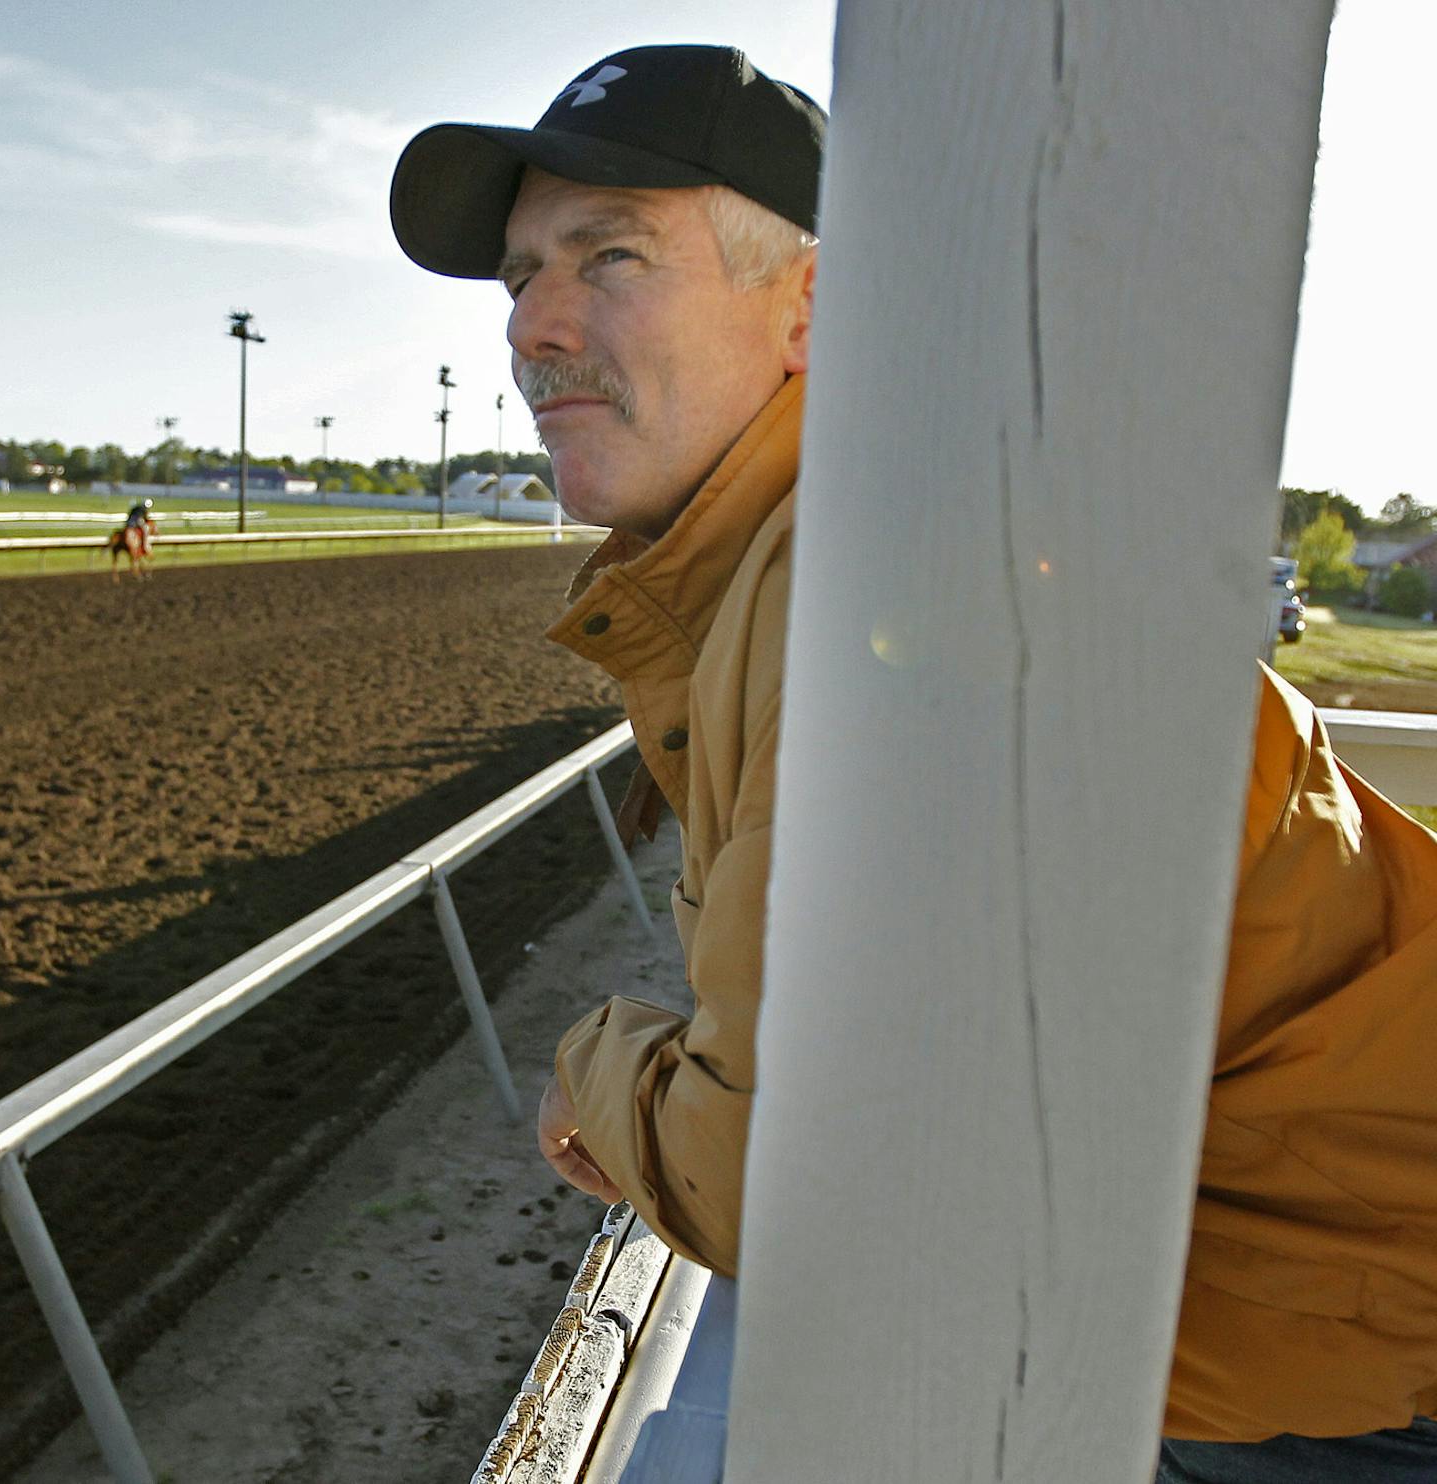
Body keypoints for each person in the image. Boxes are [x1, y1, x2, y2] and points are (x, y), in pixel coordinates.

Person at [390, 44, 1437, 1478]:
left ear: (816, 302)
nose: (534, 324)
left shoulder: (883, 577)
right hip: (1278, 1324)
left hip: (1351, 1377)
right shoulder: (835, 535)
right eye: (519, 277)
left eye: (608, 255)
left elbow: (808, 1197)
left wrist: (596, 1064)